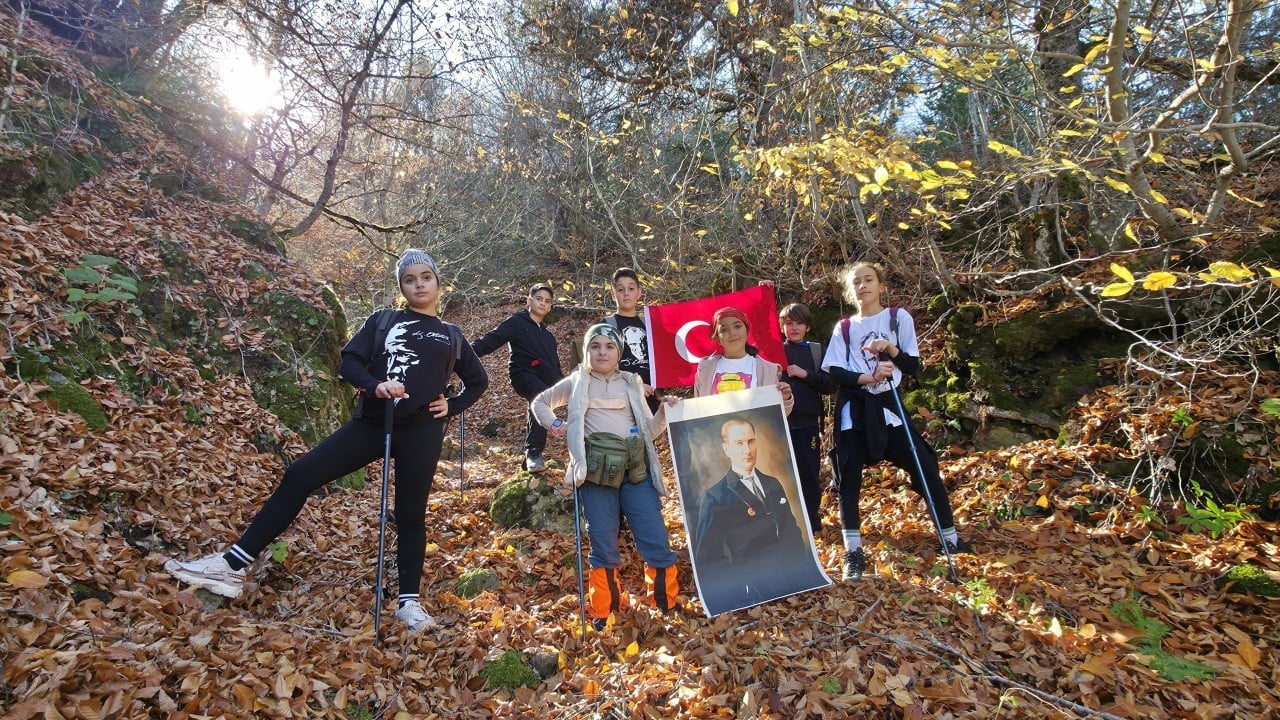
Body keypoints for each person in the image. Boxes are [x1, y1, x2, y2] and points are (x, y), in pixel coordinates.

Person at [163, 249, 489, 632]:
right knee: (301, 475)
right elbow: (350, 361)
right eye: (409, 279)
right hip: (373, 424)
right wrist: (374, 385)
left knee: (410, 515)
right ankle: (232, 564)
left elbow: (478, 381)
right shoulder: (383, 321)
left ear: (437, 282)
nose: (419, 284)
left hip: (422, 432)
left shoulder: (450, 334)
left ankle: (409, 603)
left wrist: (451, 405)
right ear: (401, 286)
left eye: (425, 277)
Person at [822, 262, 972, 582]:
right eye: (856, 282)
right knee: (849, 479)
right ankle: (853, 553)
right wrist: (869, 377)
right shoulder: (844, 327)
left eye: (869, 280)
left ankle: (950, 539)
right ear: (850, 290)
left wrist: (889, 348)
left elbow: (912, 365)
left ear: (881, 285)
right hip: (854, 411)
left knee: (925, 466)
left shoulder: (896, 318)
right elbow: (834, 372)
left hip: (889, 408)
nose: (862, 286)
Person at [532, 324, 680, 629]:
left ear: (619, 352)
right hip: (595, 477)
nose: (602, 352)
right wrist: (557, 425)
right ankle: (606, 609)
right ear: (586, 351)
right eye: (595, 346)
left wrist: (664, 414)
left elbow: (649, 431)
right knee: (602, 543)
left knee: (654, 537)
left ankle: (664, 603)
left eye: (609, 346)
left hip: (634, 472)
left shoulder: (631, 383)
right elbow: (539, 403)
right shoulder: (577, 382)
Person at [693, 417, 827, 610]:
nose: (747, 450)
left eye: (751, 441)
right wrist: (739, 594)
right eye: (739, 443)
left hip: (787, 583)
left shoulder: (772, 483)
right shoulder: (715, 496)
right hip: (749, 592)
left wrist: (797, 574)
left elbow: (791, 530)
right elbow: (708, 556)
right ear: (726, 449)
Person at [472, 283, 564, 472]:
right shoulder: (517, 322)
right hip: (522, 374)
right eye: (539, 299)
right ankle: (534, 453)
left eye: (547, 301)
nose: (543, 303)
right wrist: (463, 354)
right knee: (540, 396)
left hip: (544, 379)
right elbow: (492, 339)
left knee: (540, 404)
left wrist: (566, 387)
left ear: (550, 307)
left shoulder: (548, 336)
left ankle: (529, 460)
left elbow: (554, 367)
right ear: (529, 301)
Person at [779, 303, 838, 533]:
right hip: (779, 423)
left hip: (807, 425)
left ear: (808, 326)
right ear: (782, 327)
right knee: (782, 475)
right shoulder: (773, 351)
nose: (794, 328)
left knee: (809, 475)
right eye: (789, 323)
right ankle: (787, 523)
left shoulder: (816, 351)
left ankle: (811, 522)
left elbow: (830, 385)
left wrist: (805, 374)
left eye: (799, 323)